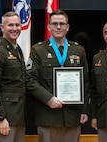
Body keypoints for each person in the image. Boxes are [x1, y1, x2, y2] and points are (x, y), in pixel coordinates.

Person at [26, 9, 90, 142]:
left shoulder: (78, 50)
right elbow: (30, 80)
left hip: (72, 116)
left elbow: (85, 82)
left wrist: (84, 110)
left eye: (62, 23)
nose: (58, 27)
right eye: (55, 23)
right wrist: (49, 99)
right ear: (49, 27)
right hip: (47, 116)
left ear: (68, 27)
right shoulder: (38, 50)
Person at [0, 11, 26, 142]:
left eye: (18, 25)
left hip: (18, 116)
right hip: (5, 117)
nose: (15, 29)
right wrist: (0, 117)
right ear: (2, 27)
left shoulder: (17, 49)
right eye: (10, 25)